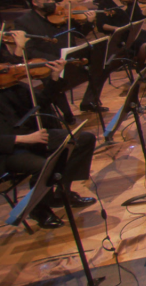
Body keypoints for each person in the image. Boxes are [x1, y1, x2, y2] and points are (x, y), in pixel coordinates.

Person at [0, 32, 97, 229]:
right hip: (7, 149)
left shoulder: (12, 85)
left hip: (31, 136)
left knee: (83, 139)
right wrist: (21, 139)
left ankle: (61, 193)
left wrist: (54, 78)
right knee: (43, 165)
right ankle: (39, 208)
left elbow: (41, 104)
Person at [14, 0, 107, 114]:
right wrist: (54, 60)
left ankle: (88, 101)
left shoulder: (61, 14)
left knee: (102, 66)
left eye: (53, 0)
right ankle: (67, 114)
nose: (52, 3)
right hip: (50, 62)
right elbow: (29, 50)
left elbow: (79, 34)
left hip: (72, 57)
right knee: (52, 78)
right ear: (35, 3)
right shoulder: (24, 22)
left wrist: (89, 23)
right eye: (47, 1)